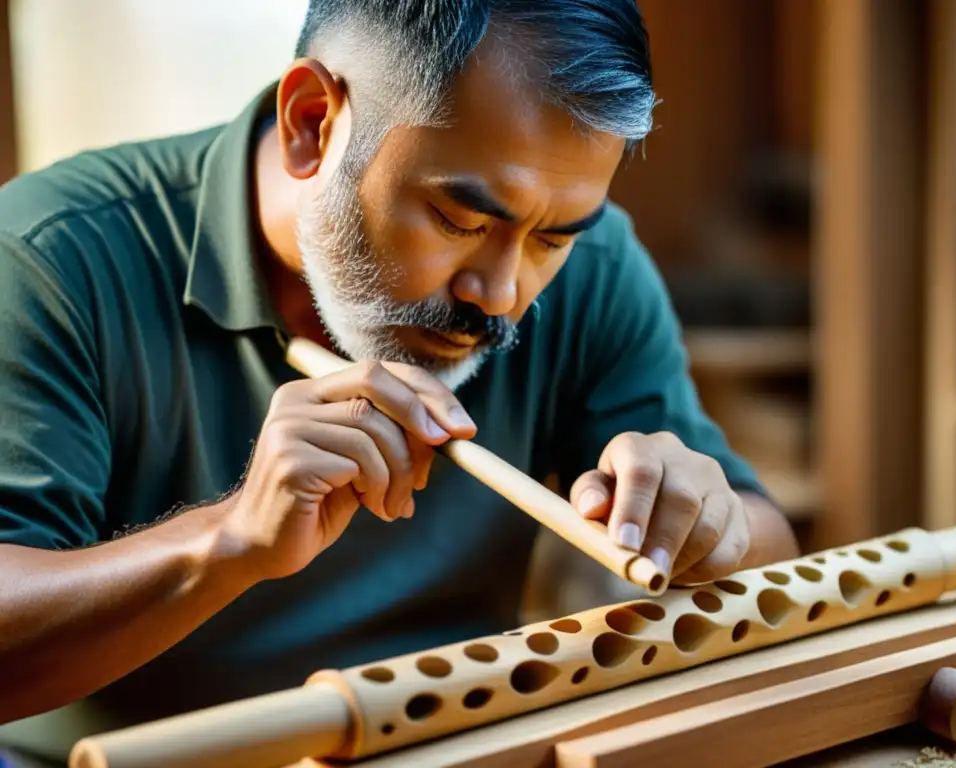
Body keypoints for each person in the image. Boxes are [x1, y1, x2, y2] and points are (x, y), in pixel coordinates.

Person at [0, 0, 799, 755]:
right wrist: (230, 539)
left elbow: (767, 550)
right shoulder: (46, 259)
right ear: (312, 124)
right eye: (460, 219)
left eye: (552, 238)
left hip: (446, 751)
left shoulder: (595, 269)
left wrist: (702, 525)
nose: (499, 293)